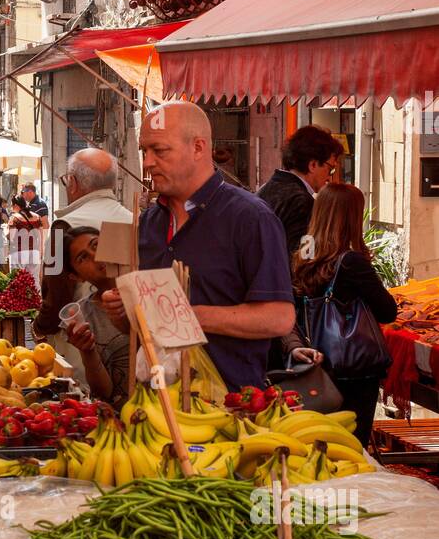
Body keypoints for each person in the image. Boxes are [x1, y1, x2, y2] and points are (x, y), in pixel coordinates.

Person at [101, 102, 294, 392]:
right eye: (145, 151)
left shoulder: (251, 218)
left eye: (160, 150)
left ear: (198, 148)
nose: (148, 162)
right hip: (155, 404)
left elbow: (279, 318)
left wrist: (188, 315)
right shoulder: (148, 223)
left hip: (230, 406)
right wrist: (123, 313)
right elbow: (141, 330)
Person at [286, 183, 397, 445]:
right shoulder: (350, 261)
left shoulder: (305, 250)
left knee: (318, 440)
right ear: (352, 217)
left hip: (313, 365)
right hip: (352, 369)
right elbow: (387, 311)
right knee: (351, 444)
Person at [41, 225, 130, 404]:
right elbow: (104, 392)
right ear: (76, 276)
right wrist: (88, 352)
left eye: (96, 245)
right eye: (83, 258)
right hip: (121, 418)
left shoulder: (144, 286)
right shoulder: (82, 316)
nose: (96, 257)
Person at [258, 125, 344, 256]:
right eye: (330, 169)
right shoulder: (302, 201)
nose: (329, 176)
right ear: (313, 165)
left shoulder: (267, 188)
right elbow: (303, 259)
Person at [54, 148, 132, 227]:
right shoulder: (134, 222)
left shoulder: (61, 227)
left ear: (73, 183)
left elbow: (56, 239)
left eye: (66, 180)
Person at [6, 194, 43, 272]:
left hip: (19, 252)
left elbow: (11, 237)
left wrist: (6, 232)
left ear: (15, 205)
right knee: (34, 280)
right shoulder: (37, 217)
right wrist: (40, 252)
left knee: (17, 279)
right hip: (34, 252)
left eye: (12, 206)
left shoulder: (15, 218)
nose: (12, 208)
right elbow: (40, 237)